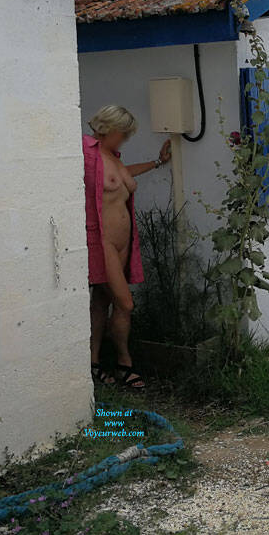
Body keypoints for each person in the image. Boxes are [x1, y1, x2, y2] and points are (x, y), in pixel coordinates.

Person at [83, 106, 170, 389]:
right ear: (109, 128)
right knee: (125, 303)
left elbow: (120, 179)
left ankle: (94, 363)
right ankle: (124, 363)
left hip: (123, 243)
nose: (125, 139)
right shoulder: (85, 152)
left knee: (102, 301)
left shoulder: (113, 157)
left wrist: (157, 162)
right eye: (123, 134)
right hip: (103, 243)